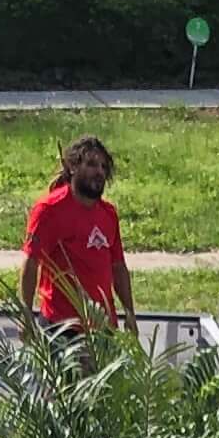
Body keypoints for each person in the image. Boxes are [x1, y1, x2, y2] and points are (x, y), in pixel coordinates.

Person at [20, 135, 131, 332]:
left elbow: (119, 267)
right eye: (91, 164)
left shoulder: (108, 214)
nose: (99, 172)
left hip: (102, 328)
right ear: (72, 167)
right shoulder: (49, 210)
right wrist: (26, 315)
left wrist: (130, 314)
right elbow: (31, 263)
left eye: (103, 167)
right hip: (61, 328)